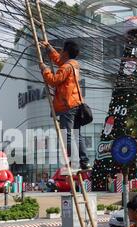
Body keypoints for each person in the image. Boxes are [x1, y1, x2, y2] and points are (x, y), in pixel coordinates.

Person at [39, 40, 91, 170]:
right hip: (76, 104)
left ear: (66, 53)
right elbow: (59, 60)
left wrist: (45, 69)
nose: (60, 52)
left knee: (67, 135)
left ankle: (75, 162)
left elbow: (54, 81)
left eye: (62, 50)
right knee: (77, 135)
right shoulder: (73, 65)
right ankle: (84, 162)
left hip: (67, 105)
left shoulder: (66, 67)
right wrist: (50, 49)